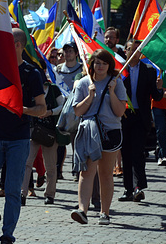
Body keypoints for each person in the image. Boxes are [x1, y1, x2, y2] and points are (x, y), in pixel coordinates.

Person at [0, 28, 46, 244]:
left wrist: (21, 109)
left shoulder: (31, 73)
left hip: (19, 139)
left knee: (12, 190)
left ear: (18, 45)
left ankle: (7, 234)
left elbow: (42, 109)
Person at [70, 49, 128, 226]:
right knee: (86, 171)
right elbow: (77, 111)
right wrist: (90, 96)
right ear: (92, 64)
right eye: (97, 63)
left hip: (110, 132)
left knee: (105, 173)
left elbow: (119, 111)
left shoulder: (116, 83)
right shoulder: (83, 83)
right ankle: (82, 210)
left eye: (104, 63)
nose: (100, 66)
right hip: (89, 132)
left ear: (109, 65)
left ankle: (105, 213)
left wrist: (111, 92)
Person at [118, 40, 164, 203]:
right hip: (123, 116)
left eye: (138, 49)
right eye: (131, 49)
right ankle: (127, 189)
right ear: (125, 51)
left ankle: (138, 187)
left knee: (137, 152)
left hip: (140, 117)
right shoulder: (120, 70)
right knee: (126, 154)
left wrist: (160, 88)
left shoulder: (149, 71)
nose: (134, 52)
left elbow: (156, 96)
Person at [21, 79, 64, 205]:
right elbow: (27, 105)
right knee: (27, 162)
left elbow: (62, 106)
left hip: (50, 132)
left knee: (50, 165)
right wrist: (35, 112)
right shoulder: (32, 87)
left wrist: (50, 112)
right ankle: (22, 193)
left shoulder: (54, 89)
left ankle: (50, 195)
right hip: (34, 130)